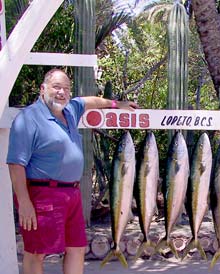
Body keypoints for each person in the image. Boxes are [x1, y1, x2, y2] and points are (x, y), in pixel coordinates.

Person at [6, 68, 139, 274]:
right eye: (56, 87)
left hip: (72, 194)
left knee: (76, 248)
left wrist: (116, 104)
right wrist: (24, 202)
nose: (62, 92)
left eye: (66, 89)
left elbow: (88, 101)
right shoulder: (29, 119)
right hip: (42, 195)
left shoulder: (70, 110)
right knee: (36, 252)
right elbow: (16, 164)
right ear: (43, 89)